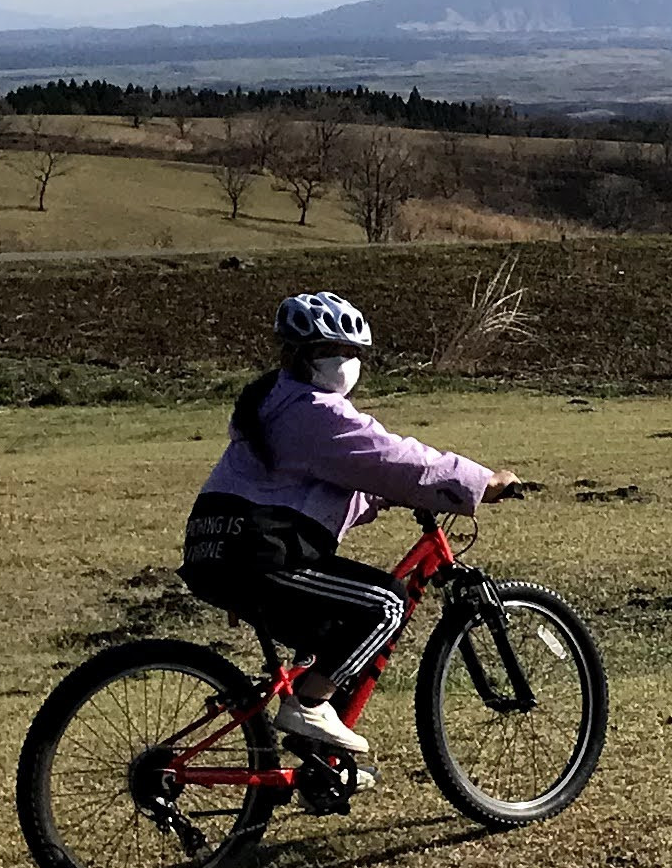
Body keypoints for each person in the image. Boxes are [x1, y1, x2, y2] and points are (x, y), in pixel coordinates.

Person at [182, 291, 508, 772]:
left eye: (354, 353)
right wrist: (479, 482)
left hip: (219, 546)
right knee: (385, 604)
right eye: (331, 351)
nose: (345, 362)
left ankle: (322, 761)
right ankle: (309, 706)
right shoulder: (314, 412)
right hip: (260, 553)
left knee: (339, 619)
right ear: (295, 356)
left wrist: (383, 495)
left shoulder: (270, 404)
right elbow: (391, 458)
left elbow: (318, 486)